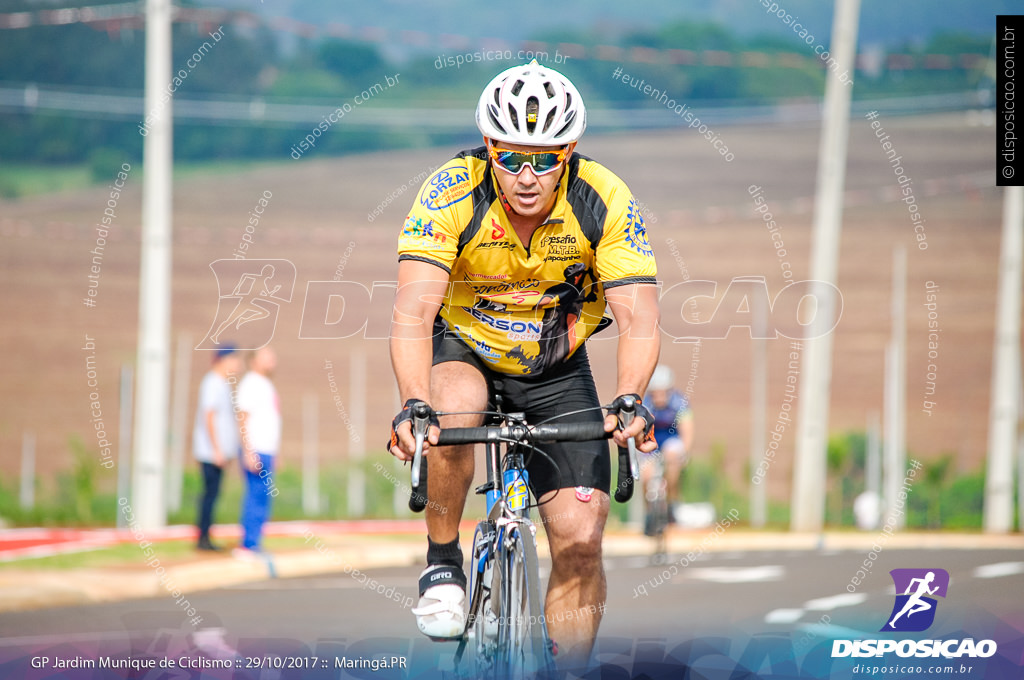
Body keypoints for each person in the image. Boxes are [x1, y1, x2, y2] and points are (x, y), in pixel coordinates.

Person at [387, 60, 661, 669]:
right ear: (489, 149)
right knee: (452, 410)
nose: (528, 176)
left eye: (545, 159)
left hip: (557, 368)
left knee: (583, 542)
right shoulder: (450, 191)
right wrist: (413, 404)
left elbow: (640, 318)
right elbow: (411, 312)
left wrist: (630, 398)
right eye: (511, 159)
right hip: (465, 346)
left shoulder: (605, 199)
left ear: (570, 152)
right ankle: (442, 564)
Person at [192, 344, 242, 551]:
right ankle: (203, 539)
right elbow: (209, 416)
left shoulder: (222, 384)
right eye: (234, 359)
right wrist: (217, 449)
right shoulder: (212, 382)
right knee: (209, 494)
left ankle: (206, 536)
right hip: (211, 452)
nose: (237, 364)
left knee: (213, 494)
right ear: (224, 360)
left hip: (218, 451)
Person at [235, 346, 281, 557]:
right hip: (256, 449)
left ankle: (255, 542)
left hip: (267, 449)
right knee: (255, 496)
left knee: (263, 497)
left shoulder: (265, 384)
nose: (273, 359)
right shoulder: (251, 383)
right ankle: (248, 544)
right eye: (267, 356)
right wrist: (248, 451)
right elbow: (242, 417)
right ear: (254, 360)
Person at [641, 365, 694, 525]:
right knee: (646, 475)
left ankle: (672, 501)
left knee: (672, 457)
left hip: (672, 440)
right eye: (655, 393)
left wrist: (685, 452)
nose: (659, 397)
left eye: (662, 392)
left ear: (669, 390)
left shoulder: (679, 403)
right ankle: (650, 512)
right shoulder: (646, 404)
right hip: (652, 443)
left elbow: (687, 430)